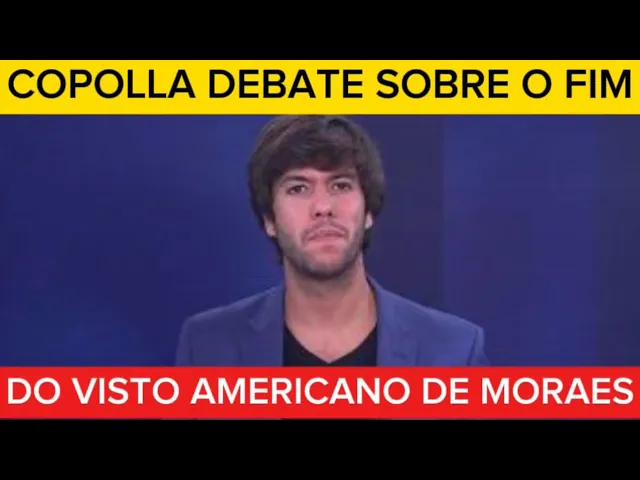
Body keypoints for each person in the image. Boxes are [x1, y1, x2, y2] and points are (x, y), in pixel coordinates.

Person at [176, 115, 489, 368]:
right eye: (298, 188)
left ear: (368, 211)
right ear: (269, 219)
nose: (323, 207)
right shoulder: (207, 347)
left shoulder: (455, 352)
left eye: (340, 185)